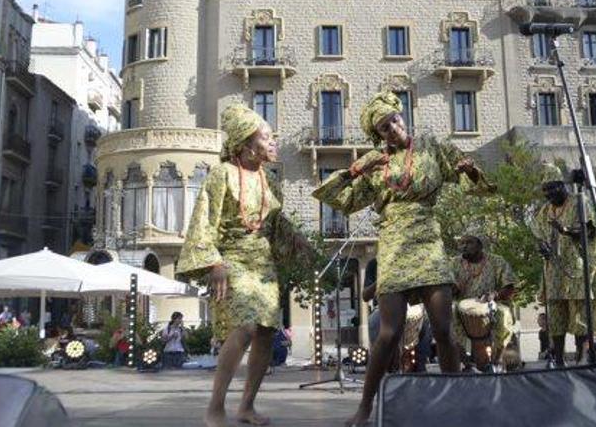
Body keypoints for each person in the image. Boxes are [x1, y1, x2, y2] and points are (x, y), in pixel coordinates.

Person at [312, 91, 494, 425]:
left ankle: (455, 402)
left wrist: (469, 171)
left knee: (443, 327)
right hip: (394, 241)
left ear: (402, 115)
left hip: (427, 238)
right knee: (389, 332)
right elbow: (336, 199)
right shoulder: (376, 163)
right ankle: (365, 406)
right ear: (377, 134)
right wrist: (356, 168)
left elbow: (474, 182)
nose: (393, 128)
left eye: (395, 120)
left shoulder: (430, 146)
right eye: (384, 127)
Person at [178, 103, 316, 427]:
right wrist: (213, 263)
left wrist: (301, 245)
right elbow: (202, 220)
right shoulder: (222, 174)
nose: (272, 141)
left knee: (267, 333)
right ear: (245, 143)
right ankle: (215, 407)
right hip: (231, 259)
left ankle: (247, 407)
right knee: (246, 326)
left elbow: (276, 224)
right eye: (265, 136)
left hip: (264, 264)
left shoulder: (270, 181)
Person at [527, 164, 596, 367]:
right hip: (553, 267)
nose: (548, 194)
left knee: (579, 311)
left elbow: (590, 231)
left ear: (561, 186)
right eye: (545, 191)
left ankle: (582, 356)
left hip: (577, 265)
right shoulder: (545, 210)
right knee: (555, 312)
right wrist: (541, 246)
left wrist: (566, 231)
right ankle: (559, 359)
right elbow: (537, 233)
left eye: (552, 189)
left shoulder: (580, 202)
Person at [450, 232, 517, 371]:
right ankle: (467, 363)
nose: (464, 246)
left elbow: (510, 287)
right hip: (462, 304)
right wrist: (453, 288)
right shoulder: (454, 263)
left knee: (503, 314)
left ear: (480, 245)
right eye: (462, 243)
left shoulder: (497, 261)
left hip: (491, 303)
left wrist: (495, 294)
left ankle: (497, 360)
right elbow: (448, 289)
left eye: (469, 243)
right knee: (448, 312)